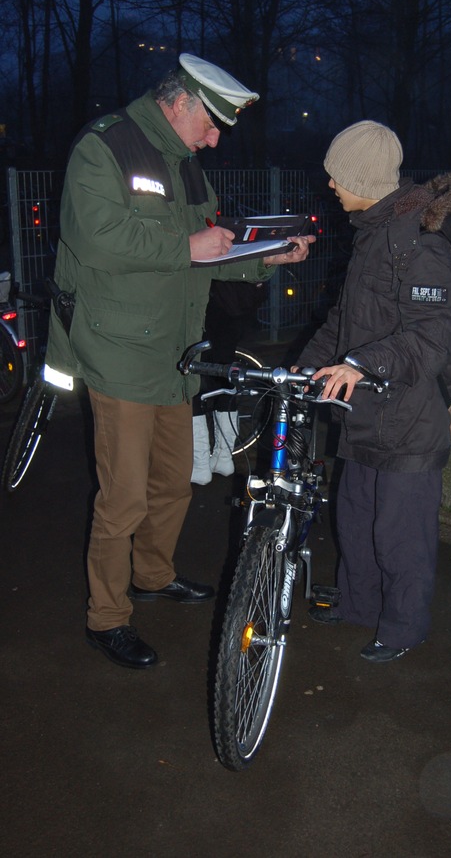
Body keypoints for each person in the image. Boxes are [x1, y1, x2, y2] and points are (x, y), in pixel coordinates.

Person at [45, 53, 315, 669]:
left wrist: (264, 258)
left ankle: (153, 575)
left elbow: (208, 249)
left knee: (173, 481)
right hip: (120, 354)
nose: (215, 138)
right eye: (212, 124)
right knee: (123, 498)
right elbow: (95, 237)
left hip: (174, 354)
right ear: (181, 104)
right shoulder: (105, 147)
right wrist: (183, 244)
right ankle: (106, 618)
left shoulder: (186, 166)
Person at [295, 120, 451, 662]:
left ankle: (401, 628)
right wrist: (304, 373)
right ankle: (357, 603)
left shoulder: (420, 244)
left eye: (336, 175)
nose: (329, 185)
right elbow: (344, 323)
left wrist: (362, 364)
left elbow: (434, 336)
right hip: (366, 411)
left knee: (401, 537)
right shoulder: (373, 232)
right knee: (354, 519)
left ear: (363, 178)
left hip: (408, 419)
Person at [190, 278, 268, 483]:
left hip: (210, 305)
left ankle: (199, 464)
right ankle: (223, 457)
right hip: (238, 304)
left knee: (193, 377)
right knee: (225, 377)